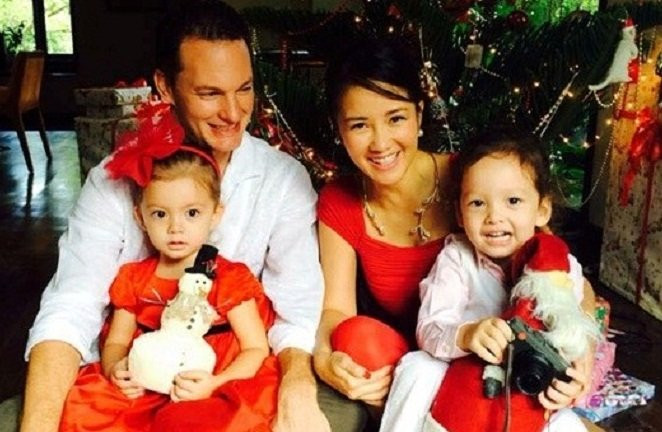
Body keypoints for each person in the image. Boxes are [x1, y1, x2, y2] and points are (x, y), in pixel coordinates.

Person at [21, 2, 334, 431]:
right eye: (210, 93)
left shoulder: (283, 181)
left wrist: (297, 393)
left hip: (227, 378)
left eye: (244, 89)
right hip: (135, 379)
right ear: (165, 86)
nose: (233, 112)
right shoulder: (111, 181)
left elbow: (297, 313)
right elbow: (70, 307)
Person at [60, 105, 278, 431]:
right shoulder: (134, 278)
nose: (176, 227)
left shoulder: (229, 278)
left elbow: (255, 348)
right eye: (160, 214)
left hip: (209, 383)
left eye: (192, 213)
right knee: (87, 413)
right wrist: (116, 368)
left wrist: (215, 383)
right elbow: (117, 341)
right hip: (145, 383)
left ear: (215, 215)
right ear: (141, 217)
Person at [384, 127, 596, 431]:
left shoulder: (560, 269)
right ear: (460, 214)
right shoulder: (457, 259)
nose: (494, 216)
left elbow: (573, 339)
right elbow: (429, 329)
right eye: (477, 203)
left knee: (569, 424)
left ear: (542, 210)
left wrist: (571, 383)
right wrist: (466, 335)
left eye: (513, 200)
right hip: (461, 391)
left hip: (524, 395)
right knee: (418, 367)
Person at [313, 35, 454, 427]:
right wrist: (325, 360)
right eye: (360, 125)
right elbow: (336, 309)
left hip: (481, 355)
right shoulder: (339, 201)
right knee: (355, 337)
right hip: (401, 369)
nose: (380, 143)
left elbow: (550, 263)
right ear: (339, 130)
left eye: (396, 118)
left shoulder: (468, 177)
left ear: (419, 114)